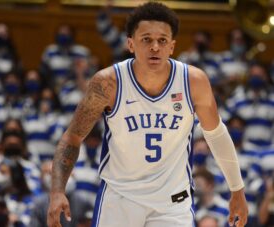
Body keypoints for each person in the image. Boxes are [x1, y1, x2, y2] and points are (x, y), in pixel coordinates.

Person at [47, 2, 248, 227]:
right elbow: (72, 137)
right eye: (146, 39)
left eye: (162, 40)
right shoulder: (107, 83)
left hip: (173, 203)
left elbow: (216, 135)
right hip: (120, 198)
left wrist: (237, 189)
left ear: (172, 46)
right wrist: (57, 191)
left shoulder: (193, 82)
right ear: (131, 44)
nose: (155, 47)